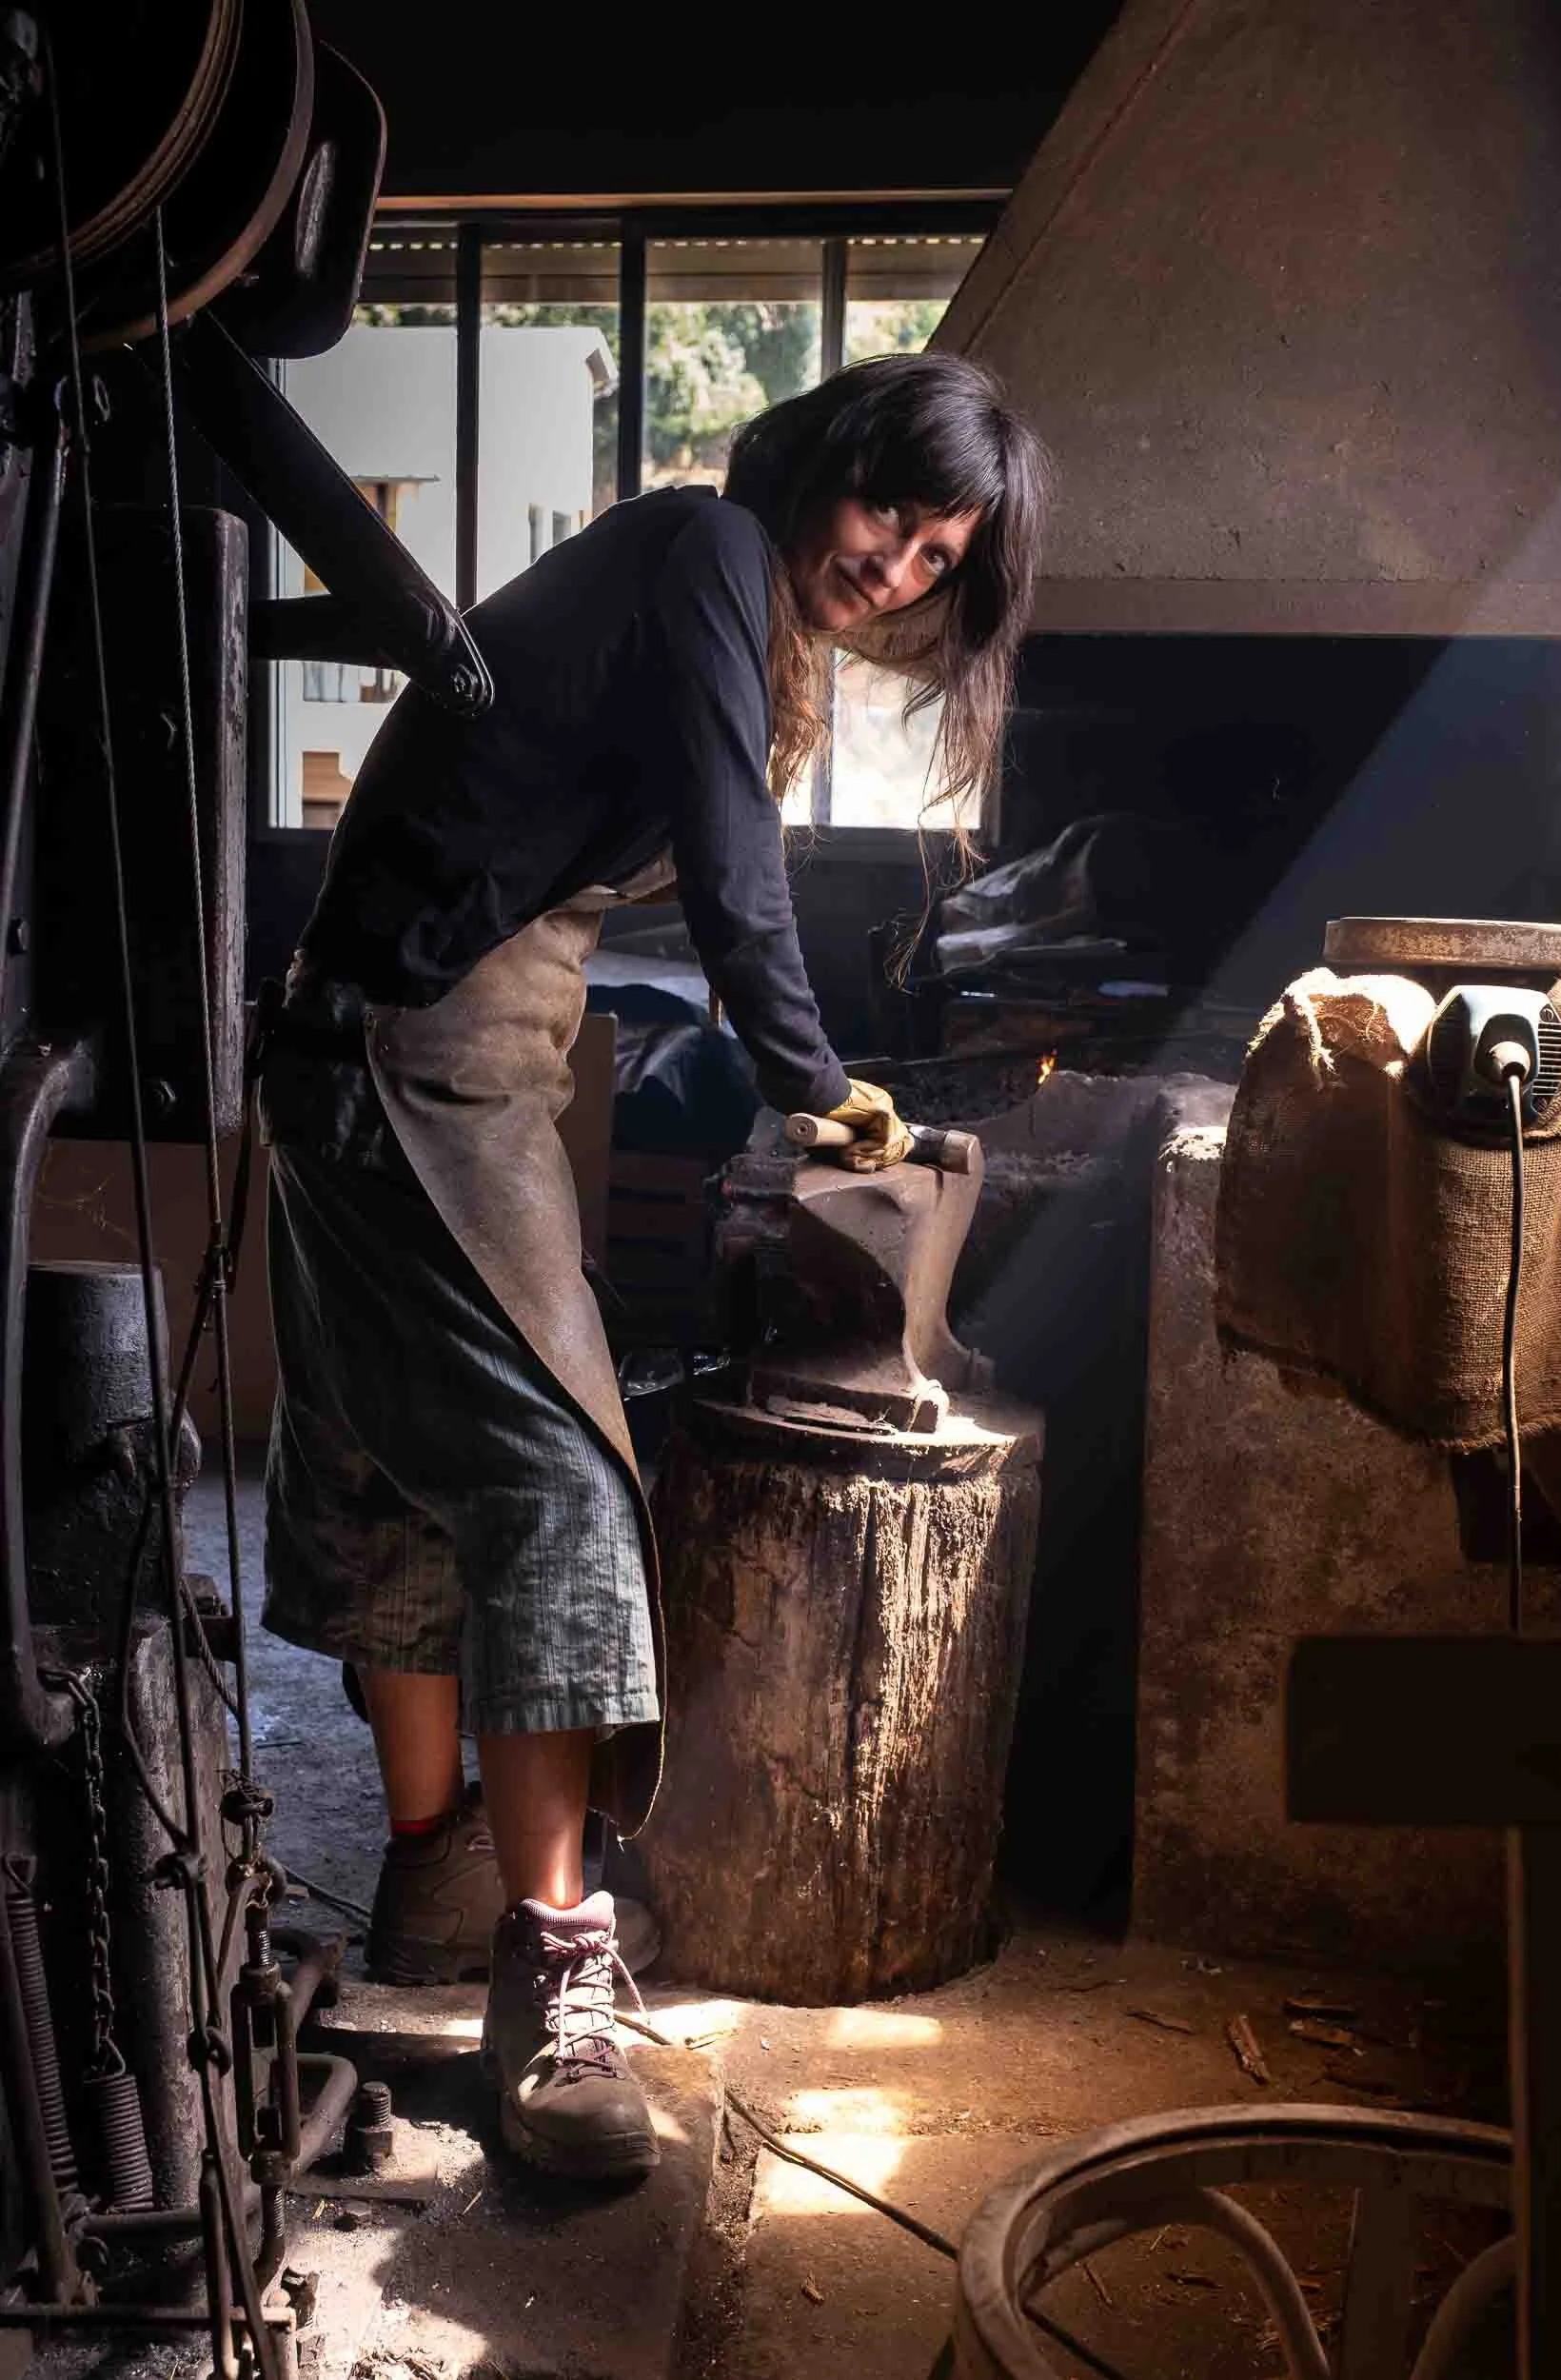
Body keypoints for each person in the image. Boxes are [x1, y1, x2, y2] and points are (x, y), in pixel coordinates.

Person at [258, 351, 1048, 2182]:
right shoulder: (702, 544)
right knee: (557, 1481)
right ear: (825, 460)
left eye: (940, 552)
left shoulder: (732, 590)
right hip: (408, 1041)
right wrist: (814, 1087)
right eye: (890, 512)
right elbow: (731, 852)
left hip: (424, 1036)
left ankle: (438, 1875)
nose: (902, 565)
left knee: (407, 1467)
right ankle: (550, 1976)